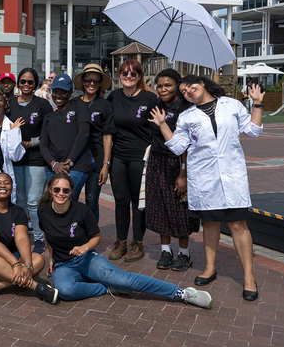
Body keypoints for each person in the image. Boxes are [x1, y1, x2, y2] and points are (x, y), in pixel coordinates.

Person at [150, 76, 264, 301]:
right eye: (183, 91)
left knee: (238, 224)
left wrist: (257, 103)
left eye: (191, 86)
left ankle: (249, 277)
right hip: (204, 178)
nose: (188, 92)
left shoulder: (231, 104)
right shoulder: (186, 116)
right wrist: (163, 125)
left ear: (203, 84)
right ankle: (210, 268)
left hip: (232, 176)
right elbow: (178, 147)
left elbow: (253, 130)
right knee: (210, 223)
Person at [37, 174, 212, 309]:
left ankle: (182, 293)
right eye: (57, 190)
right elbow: (47, 234)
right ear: (50, 191)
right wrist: (51, 257)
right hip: (63, 265)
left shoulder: (81, 210)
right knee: (66, 291)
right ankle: (107, 288)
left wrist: (84, 247)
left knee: (126, 281)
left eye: (65, 190)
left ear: (71, 192)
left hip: (87, 258)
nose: (61, 194)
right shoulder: (43, 211)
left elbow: (96, 237)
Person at [0, 173, 58, 304]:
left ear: (12, 187)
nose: (3, 186)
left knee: (38, 259)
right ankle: (37, 287)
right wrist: (16, 264)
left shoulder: (18, 211)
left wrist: (27, 266)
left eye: (7, 183)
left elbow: (22, 239)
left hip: (13, 258)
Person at [145, 69, 199, 271]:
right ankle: (166, 250)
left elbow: (187, 145)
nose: (163, 89)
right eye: (159, 86)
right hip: (157, 162)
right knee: (159, 208)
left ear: (177, 85)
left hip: (178, 164)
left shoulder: (186, 108)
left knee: (180, 210)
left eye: (167, 85)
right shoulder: (155, 105)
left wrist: (183, 174)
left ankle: (184, 253)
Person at [105, 59, 157, 262]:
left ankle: (138, 243)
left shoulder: (149, 98)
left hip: (140, 157)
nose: (128, 77)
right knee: (120, 200)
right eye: (125, 73)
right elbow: (106, 126)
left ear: (139, 77)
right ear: (119, 75)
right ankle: (121, 241)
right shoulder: (114, 97)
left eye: (133, 74)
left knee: (138, 202)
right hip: (119, 156)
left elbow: (157, 128)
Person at [8, 67, 54, 253]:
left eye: (30, 82)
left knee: (33, 202)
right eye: (23, 81)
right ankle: (21, 237)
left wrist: (30, 143)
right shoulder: (10, 103)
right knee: (19, 200)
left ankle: (39, 238)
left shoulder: (42, 105)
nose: (26, 85)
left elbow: (50, 132)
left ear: (35, 84)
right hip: (16, 159)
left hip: (36, 158)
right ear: (18, 83)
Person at [72, 63, 114, 227]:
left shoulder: (105, 105)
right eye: (88, 80)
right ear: (83, 82)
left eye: (96, 81)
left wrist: (105, 164)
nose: (91, 83)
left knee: (92, 200)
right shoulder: (73, 103)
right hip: (76, 159)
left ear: (100, 84)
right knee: (70, 197)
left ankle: (92, 235)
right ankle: (72, 233)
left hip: (96, 159)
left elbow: (107, 136)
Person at [39, 74, 90, 199]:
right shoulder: (49, 117)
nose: (58, 95)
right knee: (50, 201)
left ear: (70, 92)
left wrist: (70, 161)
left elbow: (84, 133)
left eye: (63, 92)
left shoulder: (79, 106)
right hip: (53, 167)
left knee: (66, 198)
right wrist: (54, 164)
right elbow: (43, 144)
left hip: (77, 165)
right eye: (56, 91)